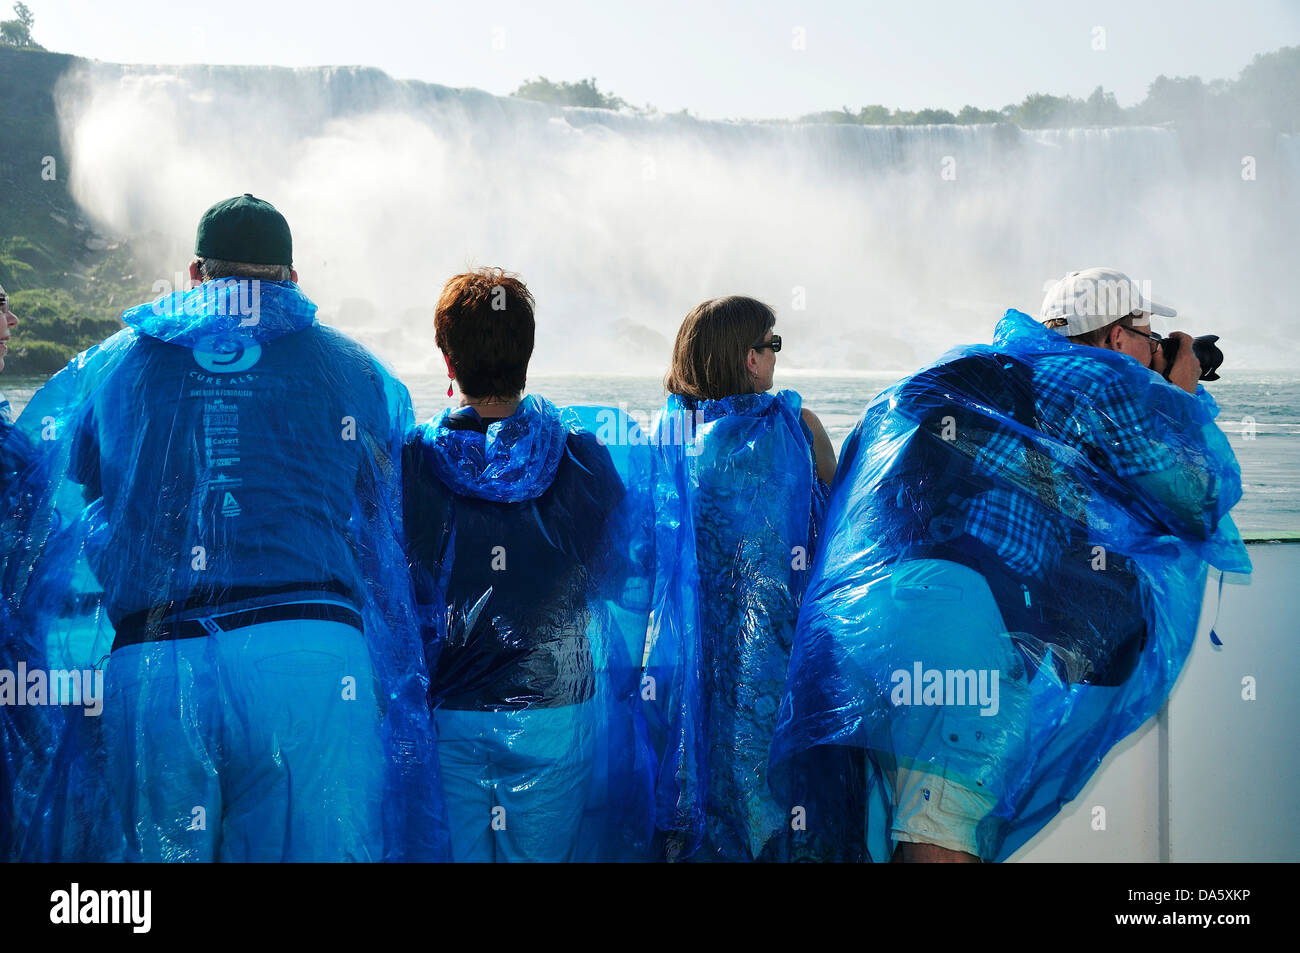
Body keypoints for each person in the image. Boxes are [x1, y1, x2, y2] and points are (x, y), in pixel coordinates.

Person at [4, 194, 441, 861]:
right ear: (292, 280)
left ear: (194, 273)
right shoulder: (354, 370)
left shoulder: (118, 366)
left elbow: (84, 491)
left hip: (157, 654)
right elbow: (387, 510)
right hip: (312, 652)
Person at [771, 267, 1250, 863]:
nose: (1157, 350)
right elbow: (1196, 497)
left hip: (868, 618)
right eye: (1150, 335)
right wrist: (1180, 394)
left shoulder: (978, 371)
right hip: (957, 624)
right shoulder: (1097, 378)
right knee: (943, 834)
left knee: (912, 820)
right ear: (1115, 338)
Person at [402, 267, 654, 862]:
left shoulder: (412, 461)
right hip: (553, 710)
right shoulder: (582, 457)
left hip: (448, 711)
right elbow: (615, 573)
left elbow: (393, 585)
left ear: (447, 359)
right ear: (528, 351)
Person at [648, 295, 862, 862]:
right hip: (780, 658)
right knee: (783, 805)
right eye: (773, 345)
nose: (775, 358)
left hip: (695, 665)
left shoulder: (670, 440)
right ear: (749, 358)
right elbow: (845, 533)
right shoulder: (798, 427)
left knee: (707, 798)